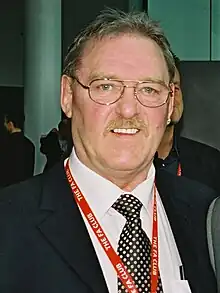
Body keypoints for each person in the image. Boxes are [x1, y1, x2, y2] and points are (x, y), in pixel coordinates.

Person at [0, 9, 217, 293]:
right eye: (106, 86)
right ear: (67, 96)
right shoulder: (9, 225)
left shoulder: (208, 218)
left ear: (170, 104)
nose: (128, 109)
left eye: (149, 89)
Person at [155, 55, 220, 192]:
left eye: (176, 88)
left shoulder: (211, 162)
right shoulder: (122, 161)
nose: (173, 97)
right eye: (162, 88)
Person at [0, 112, 35, 188]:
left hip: (7, 189)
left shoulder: (5, 145)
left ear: (11, 124)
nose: (4, 125)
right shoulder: (30, 145)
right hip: (24, 188)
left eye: (5, 123)